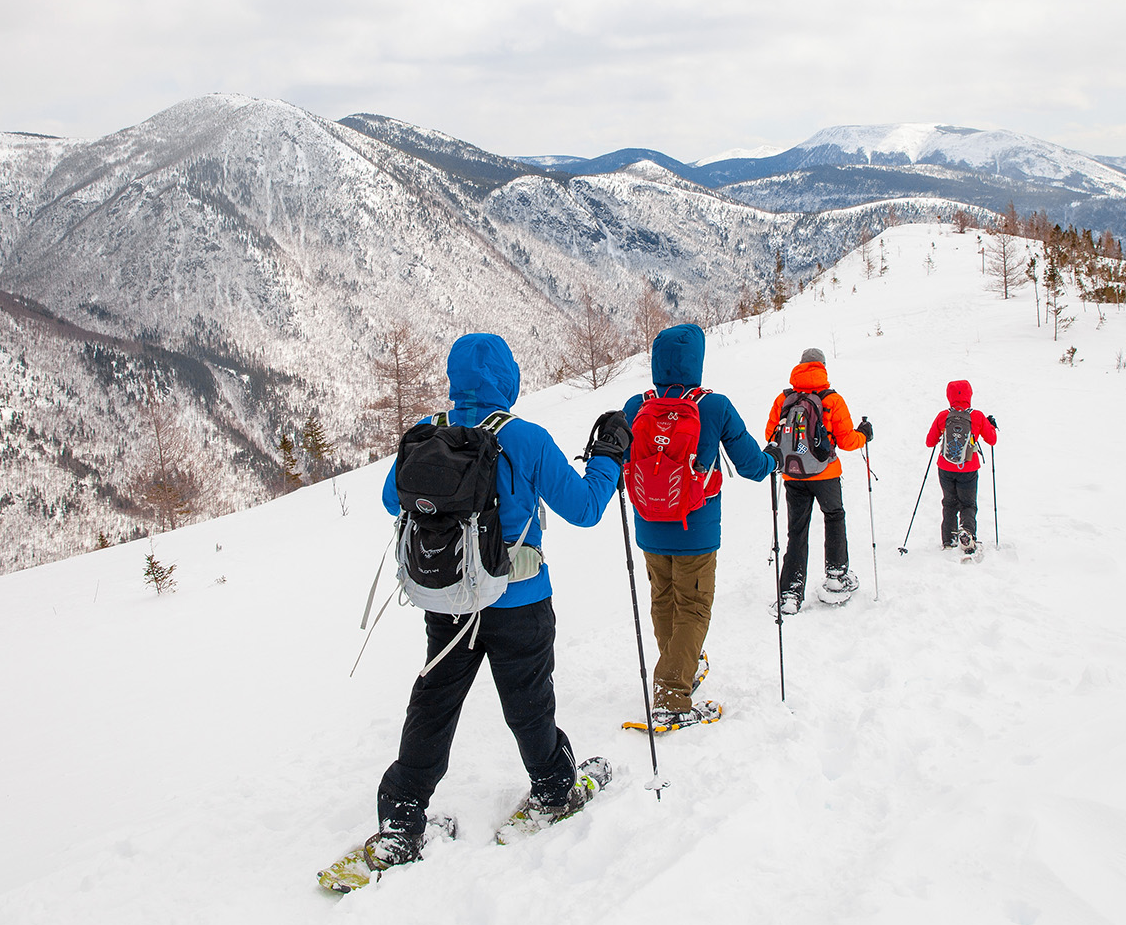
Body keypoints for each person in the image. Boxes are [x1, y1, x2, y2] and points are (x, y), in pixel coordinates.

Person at [366, 333, 628, 868]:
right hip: (520, 600)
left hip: (449, 601)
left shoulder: (426, 434)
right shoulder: (526, 438)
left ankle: (401, 820)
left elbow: (393, 499)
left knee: (434, 702)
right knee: (528, 702)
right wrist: (607, 457)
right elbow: (585, 508)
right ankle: (554, 789)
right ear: (507, 378)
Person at [622, 323, 774, 729]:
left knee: (664, 600)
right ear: (697, 361)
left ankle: (679, 669)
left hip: (650, 524)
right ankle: (672, 696)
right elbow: (751, 465)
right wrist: (773, 460)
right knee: (693, 606)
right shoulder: (714, 405)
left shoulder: (636, 405)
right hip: (696, 527)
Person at [762, 348, 871, 614]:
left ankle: (790, 594)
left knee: (797, 531)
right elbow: (847, 441)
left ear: (800, 366)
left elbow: (770, 434)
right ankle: (836, 577)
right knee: (834, 517)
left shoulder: (784, 398)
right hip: (826, 474)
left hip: (793, 474)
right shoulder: (832, 399)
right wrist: (864, 435)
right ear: (822, 367)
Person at [925, 379, 998, 553]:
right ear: (969, 394)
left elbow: (930, 442)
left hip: (945, 467)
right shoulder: (977, 416)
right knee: (968, 504)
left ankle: (948, 540)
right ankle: (967, 532)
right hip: (969, 468)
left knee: (949, 503)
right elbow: (992, 440)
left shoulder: (943, 416)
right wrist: (991, 426)